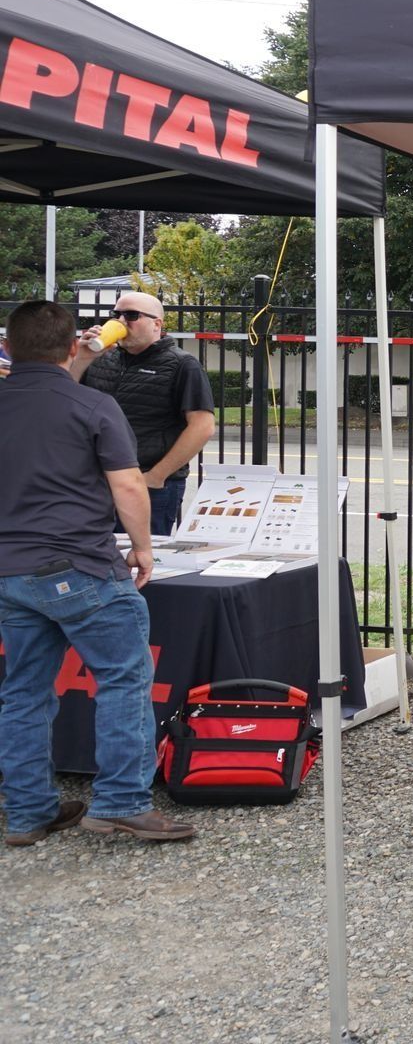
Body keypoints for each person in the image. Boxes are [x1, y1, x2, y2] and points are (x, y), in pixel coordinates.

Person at [0, 300, 196, 844]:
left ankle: (28, 812)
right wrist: (144, 549)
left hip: (10, 572)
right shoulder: (92, 404)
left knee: (23, 691)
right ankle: (122, 801)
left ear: (9, 347)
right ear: (71, 348)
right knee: (124, 677)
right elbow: (128, 484)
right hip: (79, 566)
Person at [70, 292, 216, 537]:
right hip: (96, 482)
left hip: (148, 484)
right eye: (116, 314)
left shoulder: (182, 364)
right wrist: (82, 358)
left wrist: (156, 476)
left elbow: (203, 426)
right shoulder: (101, 359)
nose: (121, 321)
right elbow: (65, 399)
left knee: (140, 556)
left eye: (131, 315)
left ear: (156, 324)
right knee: (90, 554)